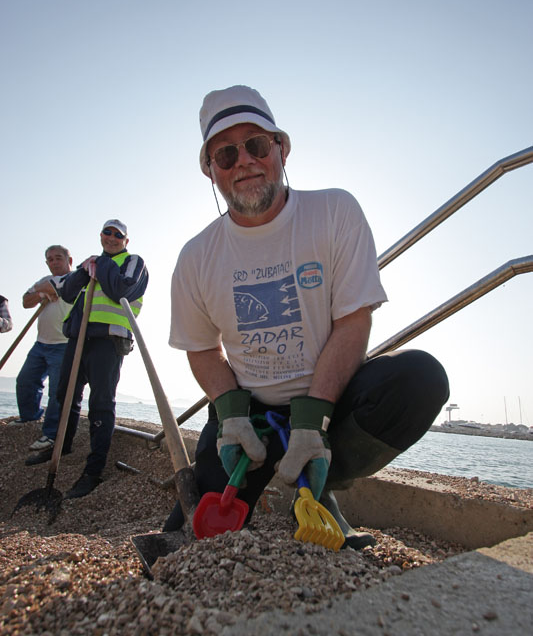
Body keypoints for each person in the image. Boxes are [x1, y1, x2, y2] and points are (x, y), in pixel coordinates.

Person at [165, 85, 449, 547]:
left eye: (257, 145)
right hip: (249, 416)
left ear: (282, 148)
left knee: (420, 379)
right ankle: (288, 483)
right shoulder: (196, 256)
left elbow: (353, 321)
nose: (244, 162)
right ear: (210, 170)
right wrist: (232, 415)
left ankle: (318, 480)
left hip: (329, 404)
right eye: (225, 155)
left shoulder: (335, 212)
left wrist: (312, 423)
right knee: (188, 538)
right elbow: (201, 347)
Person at [50, 219, 148, 498]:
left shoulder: (133, 262)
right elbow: (68, 294)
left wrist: (102, 263)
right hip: (79, 336)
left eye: (119, 235)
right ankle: (61, 446)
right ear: (101, 235)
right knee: (65, 394)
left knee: (101, 402)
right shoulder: (88, 266)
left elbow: (121, 291)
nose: (112, 237)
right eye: (108, 232)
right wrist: (83, 271)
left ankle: (93, 470)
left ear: (126, 241)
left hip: (109, 340)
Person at [13, 246, 73, 455]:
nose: (54, 262)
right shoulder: (44, 280)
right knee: (26, 381)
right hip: (41, 343)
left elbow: (56, 290)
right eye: (50, 259)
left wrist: (46, 289)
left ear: (69, 260)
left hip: (63, 344)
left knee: (57, 391)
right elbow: (25, 302)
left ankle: (51, 433)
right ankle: (29, 417)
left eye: (58, 258)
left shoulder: (75, 281)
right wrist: (41, 292)